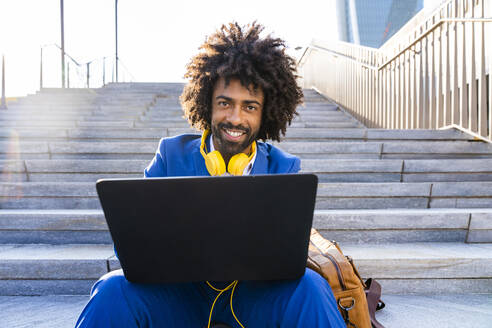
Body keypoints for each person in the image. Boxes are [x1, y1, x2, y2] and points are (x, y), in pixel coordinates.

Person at [75, 22, 345, 328]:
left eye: (250, 107)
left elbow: (289, 251)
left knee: (310, 286)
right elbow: (131, 246)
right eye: (225, 103)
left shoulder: (284, 167)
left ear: (265, 113)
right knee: (112, 289)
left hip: (253, 298)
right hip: (181, 298)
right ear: (207, 103)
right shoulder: (170, 155)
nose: (235, 117)